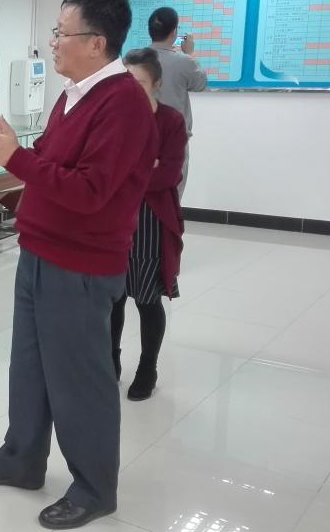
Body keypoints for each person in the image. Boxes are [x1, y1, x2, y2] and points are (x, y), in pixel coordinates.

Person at [0, 0, 158, 529]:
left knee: (79, 380)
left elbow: (89, 191)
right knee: (30, 368)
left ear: (97, 42)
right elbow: (49, 161)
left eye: (61, 33)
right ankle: (22, 459)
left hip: (81, 266)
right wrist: (10, 148)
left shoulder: (123, 104)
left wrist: (15, 158)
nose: (53, 43)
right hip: (40, 251)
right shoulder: (74, 94)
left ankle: (94, 487)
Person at [111, 48, 187, 401]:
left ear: (156, 84)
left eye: (139, 82)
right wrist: (145, 167)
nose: (131, 88)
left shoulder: (170, 121)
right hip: (112, 218)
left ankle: (147, 366)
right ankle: (110, 359)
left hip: (149, 221)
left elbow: (168, 175)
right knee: (111, 298)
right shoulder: (113, 118)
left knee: (145, 298)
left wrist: (128, 172)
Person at [147, 7, 207, 196]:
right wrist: (189, 53)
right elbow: (200, 84)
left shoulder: (134, 59)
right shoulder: (184, 62)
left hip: (141, 136)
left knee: (140, 191)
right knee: (172, 192)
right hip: (173, 139)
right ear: (174, 32)